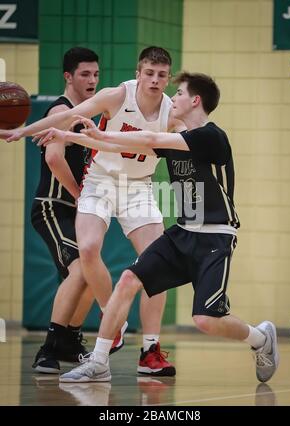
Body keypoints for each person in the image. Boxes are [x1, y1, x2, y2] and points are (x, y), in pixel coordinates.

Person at [35, 71, 279, 383]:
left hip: (216, 236)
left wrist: (91, 135)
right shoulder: (175, 140)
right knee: (127, 280)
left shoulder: (210, 137)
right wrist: (76, 137)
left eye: (178, 93)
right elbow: (131, 144)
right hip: (184, 232)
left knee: (205, 319)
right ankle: (98, 362)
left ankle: (260, 338)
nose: (172, 98)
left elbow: (149, 138)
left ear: (195, 100)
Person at [1, 47, 183, 376]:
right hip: (99, 180)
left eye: (161, 75)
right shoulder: (116, 96)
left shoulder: (172, 111)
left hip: (138, 186)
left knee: (160, 266)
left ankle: (150, 351)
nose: (155, 80)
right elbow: (66, 116)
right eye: (149, 73)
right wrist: (22, 131)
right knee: (87, 248)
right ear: (138, 73)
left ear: (168, 78)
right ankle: (112, 321)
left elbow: (197, 134)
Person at [30, 47, 123, 374]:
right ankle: (50, 347)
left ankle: (69, 340)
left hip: (75, 210)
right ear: (68, 76)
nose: (92, 80)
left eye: (96, 74)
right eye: (85, 74)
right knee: (84, 269)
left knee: (88, 269)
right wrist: (80, 194)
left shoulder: (88, 114)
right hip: (53, 207)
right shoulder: (62, 109)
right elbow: (54, 158)